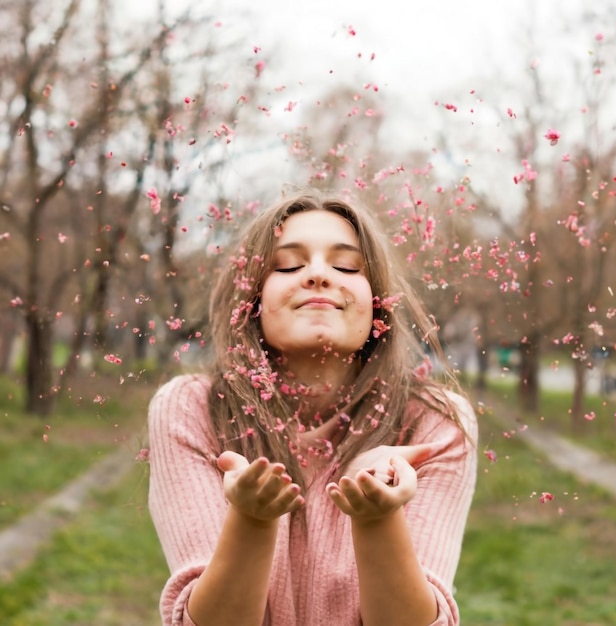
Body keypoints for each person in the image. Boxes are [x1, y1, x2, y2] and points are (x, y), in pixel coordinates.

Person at [147, 190, 478, 626]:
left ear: (378, 299)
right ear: (251, 301)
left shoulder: (434, 420)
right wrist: (252, 519)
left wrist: (378, 519)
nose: (319, 275)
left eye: (347, 266)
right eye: (287, 265)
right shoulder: (193, 408)